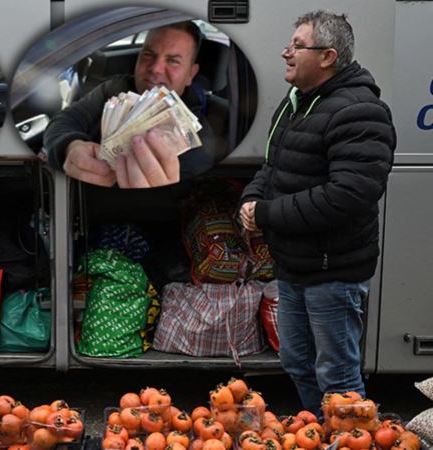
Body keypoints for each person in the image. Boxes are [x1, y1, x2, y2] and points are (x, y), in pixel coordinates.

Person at [238, 11, 396, 415]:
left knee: (338, 377)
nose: (285, 52)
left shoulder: (360, 111)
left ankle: (350, 439)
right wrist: (250, 202)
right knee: (298, 364)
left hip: (334, 272)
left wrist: (268, 214)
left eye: (296, 45)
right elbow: (272, 167)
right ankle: (320, 436)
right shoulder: (298, 104)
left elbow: (347, 195)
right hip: (295, 267)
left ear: (327, 56)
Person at [43, 21, 223, 189]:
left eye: (173, 60)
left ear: (190, 74)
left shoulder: (197, 141)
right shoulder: (114, 87)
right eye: (148, 54)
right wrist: (69, 146)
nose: (156, 68)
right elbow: (64, 119)